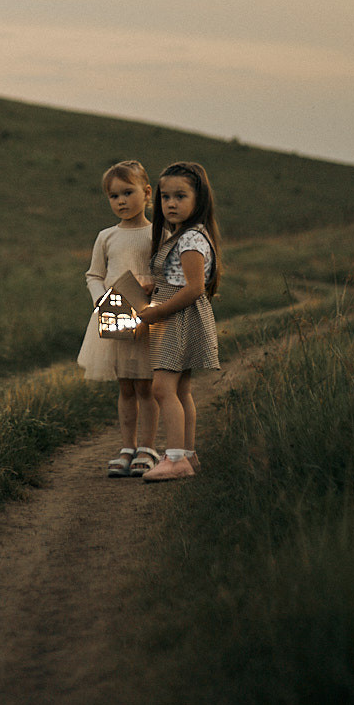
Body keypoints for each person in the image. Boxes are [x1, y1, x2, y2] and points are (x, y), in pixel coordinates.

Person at [135, 161, 221, 482]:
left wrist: (158, 311)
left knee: (162, 388)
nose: (170, 203)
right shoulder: (184, 235)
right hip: (176, 314)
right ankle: (187, 454)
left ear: (199, 199)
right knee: (182, 389)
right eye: (165, 197)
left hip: (177, 317)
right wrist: (152, 287)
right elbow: (177, 279)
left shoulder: (191, 240)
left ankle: (173, 459)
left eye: (180, 196)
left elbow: (195, 287)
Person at [77, 160, 161, 478]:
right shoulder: (106, 237)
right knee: (125, 386)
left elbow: (165, 273)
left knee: (146, 385)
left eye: (128, 192)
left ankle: (148, 448)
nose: (121, 201)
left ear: (147, 193)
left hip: (148, 316)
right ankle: (128, 446)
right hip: (114, 313)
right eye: (114, 196)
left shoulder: (158, 232)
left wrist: (154, 290)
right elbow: (93, 275)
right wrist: (102, 301)